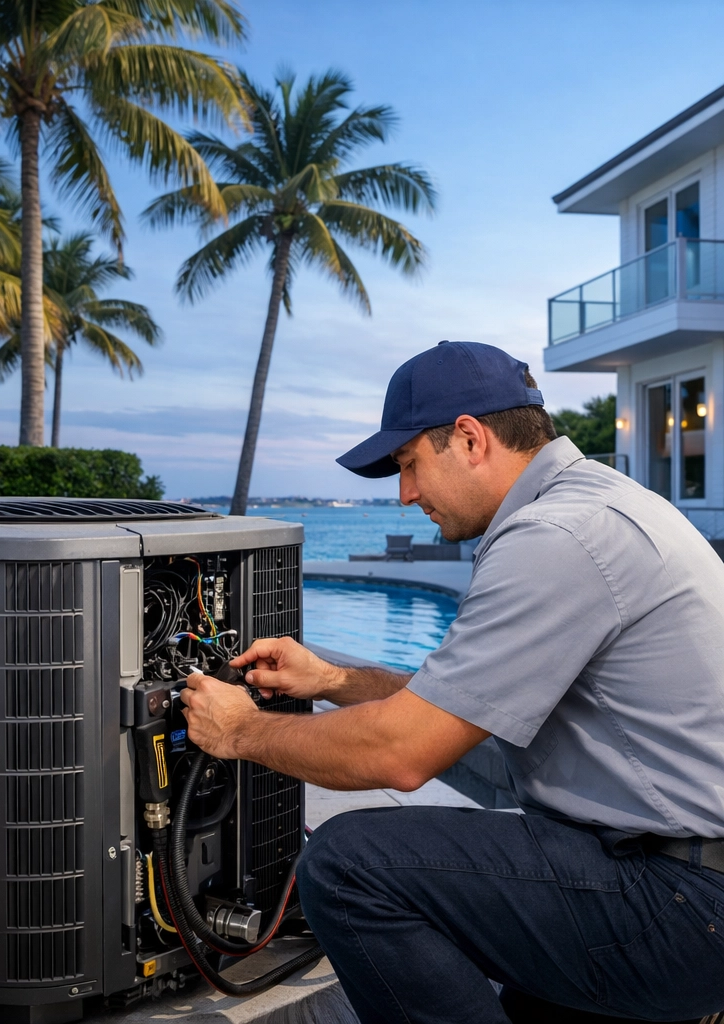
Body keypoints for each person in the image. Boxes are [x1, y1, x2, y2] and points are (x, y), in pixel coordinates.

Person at [179, 341, 724, 1024]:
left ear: (469, 438)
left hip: (682, 905)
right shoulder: (597, 504)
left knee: (350, 867)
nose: (405, 495)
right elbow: (461, 704)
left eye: (409, 465)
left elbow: (400, 756)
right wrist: (330, 677)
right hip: (679, 878)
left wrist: (242, 729)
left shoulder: (558, 534)